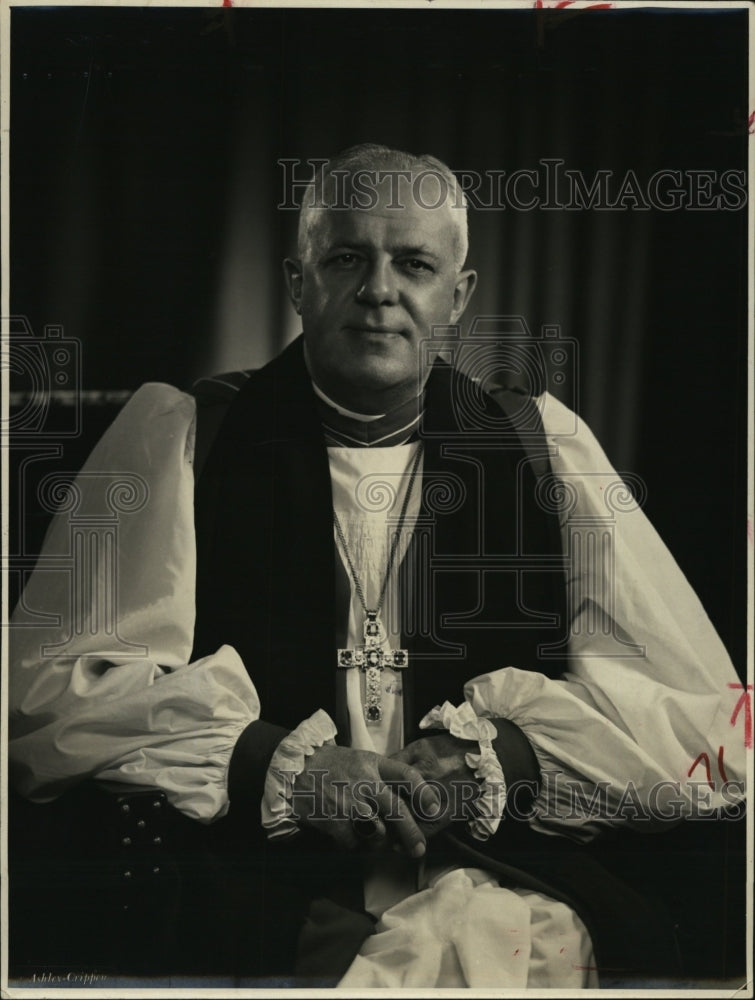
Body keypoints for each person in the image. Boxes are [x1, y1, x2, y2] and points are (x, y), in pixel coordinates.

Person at [8, 144, 745, 988]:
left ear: (457, 296)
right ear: (296, 281)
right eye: (347, 257)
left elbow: (709, 727)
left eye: (415, 264)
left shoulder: (542, 445)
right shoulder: (184, 435)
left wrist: (509, 756)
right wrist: (270, 762)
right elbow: (43, 699)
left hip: (501, 880)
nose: (379, 290)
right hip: (256, 884)